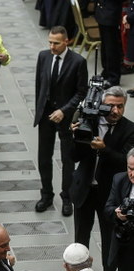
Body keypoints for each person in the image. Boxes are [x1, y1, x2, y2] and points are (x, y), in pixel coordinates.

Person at [70, 86, 134, 271]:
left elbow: (125, 162)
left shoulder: (130, 130)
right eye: (110, 106)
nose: (115, 111)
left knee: (109, 238)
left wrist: (103, 149)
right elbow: (73, 157)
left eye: (120, 106)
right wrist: (75, 137)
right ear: (100, 106)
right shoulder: (89, 122)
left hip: (109, 194)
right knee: (81, 237)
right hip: (85, 190)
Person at [34, 26, 88, 216]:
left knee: (67, 159)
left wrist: (64, 111)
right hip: (46, 115)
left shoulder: (78, 62)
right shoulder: (43, 56)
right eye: (50, 42)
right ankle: (46, 194)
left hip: (66, 117)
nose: (52, 46)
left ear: (66, 41)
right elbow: (39, 85)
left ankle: (67, 197)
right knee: (44, 157)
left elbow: (82, 91)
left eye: (56, 43)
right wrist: (40, 110)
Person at [105, 147, 134, 271]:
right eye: (130, 168)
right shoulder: (119, 179)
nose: (132, 173)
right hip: (126, 247)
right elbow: (107, 208)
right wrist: (117, 214)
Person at [95, 0, 122, 86]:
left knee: (111, 47)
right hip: (101, 11)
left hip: (111, 12)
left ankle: (114, 77)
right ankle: (106, 70)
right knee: (105, 45)